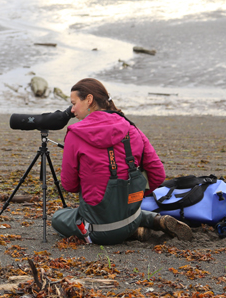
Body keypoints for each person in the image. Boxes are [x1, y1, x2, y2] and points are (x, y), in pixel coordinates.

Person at [51, 78, 192, 244]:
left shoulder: (75, 134)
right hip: (130, 216)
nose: (72, 109)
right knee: (126, 209)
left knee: (58, 217)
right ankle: (154, 220)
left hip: (97, 230)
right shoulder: (131, 128)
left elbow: (69, 185)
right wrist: (134, 195)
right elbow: (158, 174)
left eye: (74, 103)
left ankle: (137, 230)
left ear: (89, 100)